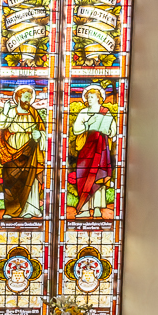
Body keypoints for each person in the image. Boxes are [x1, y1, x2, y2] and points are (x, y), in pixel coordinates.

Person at [0, 86, 45, 218]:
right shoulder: (11, 111)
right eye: (25, 97)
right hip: (12, 149)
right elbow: (2, 126)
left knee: (30, 178)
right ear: (18, 98)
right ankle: (11, 211)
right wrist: (5, 112)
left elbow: (42, 130)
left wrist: (39, 135)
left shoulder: (34, 113)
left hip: (31, 148)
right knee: (10, 181)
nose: (28, 100)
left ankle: (29, 208)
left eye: (29, 97)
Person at [68, 85, 117, 218]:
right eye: (87, 97)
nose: (89, 99)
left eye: (92, 97)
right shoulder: (83, 112)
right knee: (83, 176)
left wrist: (107, 130)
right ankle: (84, 208)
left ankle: (96, 208)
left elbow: (113, 130)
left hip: (101, 149)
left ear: (99, 98)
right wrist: (89, 123)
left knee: (98, 177)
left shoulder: (105, 112)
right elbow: (76, 129)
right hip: (86, 149)